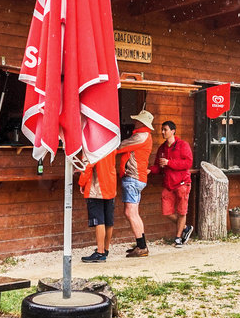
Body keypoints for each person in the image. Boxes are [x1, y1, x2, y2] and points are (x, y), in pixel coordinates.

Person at [116, 109, 155, 257]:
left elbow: (120, 147)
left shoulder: (140, 136)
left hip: (133, 177)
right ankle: (141, 244)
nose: (134, 122)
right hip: (136, 178)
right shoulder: (144, 135)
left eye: (137, 120)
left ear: (141, 122)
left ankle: (142, 247)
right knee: (133, 213)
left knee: (131, 212)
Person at [149, 120, 193, 247]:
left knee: (181, 211)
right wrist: (149, 170)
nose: (162, 132)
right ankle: (185, 228)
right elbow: (158, 167)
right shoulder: (162, 148)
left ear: (173, 131)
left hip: (182, 183)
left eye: (165, 130)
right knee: (166, 212)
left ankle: (178, 238)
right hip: (168, 184)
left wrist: (169, 163)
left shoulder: (183, 145)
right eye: (162, 130)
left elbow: (188, 163)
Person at [79, 149, 117, 261]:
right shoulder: (111, 143)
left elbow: (87, 166)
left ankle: (99, 252)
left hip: (96, 187)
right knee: (108, 220)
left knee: (99, 220)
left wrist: (82, 183)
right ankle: (105, 250)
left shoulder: (92, 145)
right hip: (110, 185)